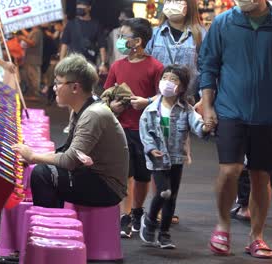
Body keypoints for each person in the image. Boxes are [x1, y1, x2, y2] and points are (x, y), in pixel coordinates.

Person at [199, 0, 272, 258]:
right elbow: (208, 66)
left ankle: (257, 237)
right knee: (230, 170)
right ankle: (222, 225)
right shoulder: (223, 23)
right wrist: (208, 106)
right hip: (230, 109)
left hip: (266, 114)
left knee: (260, 177)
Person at [12, 54, 129, 208]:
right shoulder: (82, 108)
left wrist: (33, 156)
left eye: (58, 83)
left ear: (75, 87)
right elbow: (69, 152)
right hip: (91, 173)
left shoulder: (93, 114)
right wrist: (34, 157)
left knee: (42, 174)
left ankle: (49, 228)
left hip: (108, 187)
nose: (54, 88)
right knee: (46, 169)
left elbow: (69, 161)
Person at [103, 18, 163, 237]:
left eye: (123, 36)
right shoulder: (117, 66)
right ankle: (125, 216)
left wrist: (146, 101)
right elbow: (106, 94)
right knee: (125, 174)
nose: (119, 40)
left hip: (146, 131)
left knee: (142, 176)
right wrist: (113, 105)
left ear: (137, 41)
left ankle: (137, 211)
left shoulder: (156, 67)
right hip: (121, 129)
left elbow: (163, 97)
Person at [139, 64, 210, 249]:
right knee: (164, 191)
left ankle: (164, 234)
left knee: (172, 197)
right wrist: (151, 148)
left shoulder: (186, 110)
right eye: (165, 78)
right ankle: (150, 221)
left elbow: (198, 125)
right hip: (158, 159)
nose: (167, 83)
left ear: (182, 86)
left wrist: (205, 127)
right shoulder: (151, 109)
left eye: (173, 80)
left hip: (177, 158)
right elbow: (145, 132)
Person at [59, 0, 108, 75]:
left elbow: (102, 46)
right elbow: (64, 44)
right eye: (78, 5)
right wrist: (61, 63)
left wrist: (103, 63)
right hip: (72, 63)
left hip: (89, 64)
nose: (80, 7)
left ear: (89, 8)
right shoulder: (71, 24)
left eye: (82, 5)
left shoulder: (96, 24)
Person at [17, 26, 43, 99]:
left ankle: (35, 94)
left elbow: (33, 43)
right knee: (30, 76)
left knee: (34, 76)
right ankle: (33, 94)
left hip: (34, 58)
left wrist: (22, 38)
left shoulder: (37, 31)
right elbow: (29, 37)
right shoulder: (34, 31)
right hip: (30, 58)